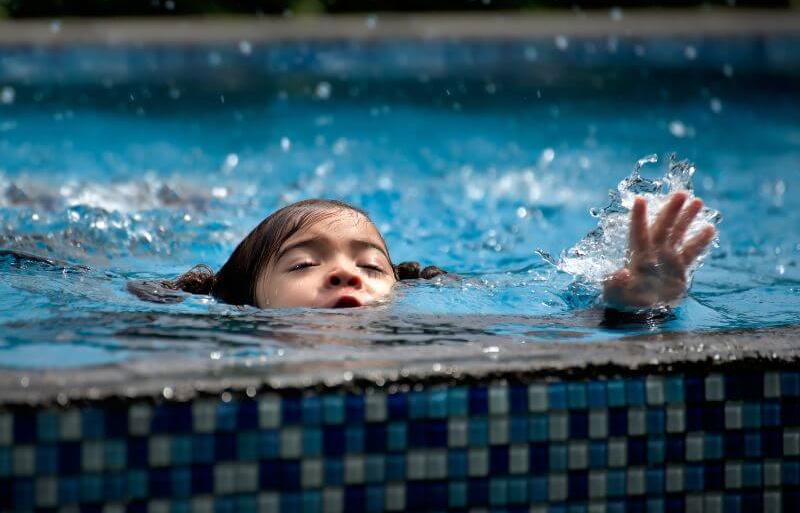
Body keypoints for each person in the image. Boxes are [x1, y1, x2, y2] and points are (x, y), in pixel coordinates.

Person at [131, 192, 715, 312]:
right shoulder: (210, 341)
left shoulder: (436, 334)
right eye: (305, 263)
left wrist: (637, 307)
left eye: (370, 266)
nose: (344, 274)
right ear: (244, 299)